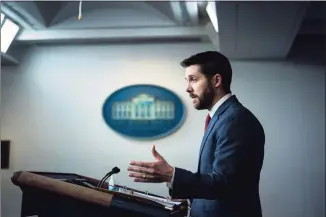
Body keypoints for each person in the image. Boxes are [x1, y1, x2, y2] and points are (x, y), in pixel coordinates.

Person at [127, 51, 265, 217]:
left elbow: (223, 183)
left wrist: (172, 175)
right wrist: (188, 199)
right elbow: (212, 178)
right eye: (187, 80)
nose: (187, 88)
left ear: (216, 80)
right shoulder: (222, 117)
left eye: (194, 79)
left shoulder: (235, 120)